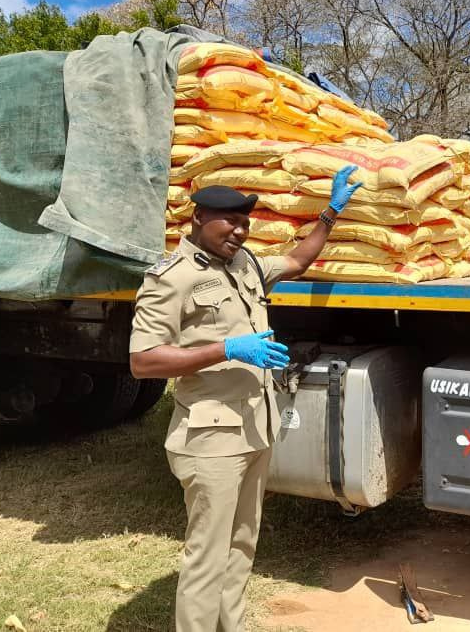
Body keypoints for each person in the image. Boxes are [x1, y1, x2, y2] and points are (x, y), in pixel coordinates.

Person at [129, 165, 362, 632]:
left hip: (255, 426)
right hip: (210, 437)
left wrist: (331, 213)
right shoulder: (170, 278)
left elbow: (297, 261)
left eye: (244, 224)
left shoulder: (247, 264)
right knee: (207, 555)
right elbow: (144, 360)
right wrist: (227, 349)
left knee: (241, 544)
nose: (238, 231)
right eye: (228, 221)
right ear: (198, 219)